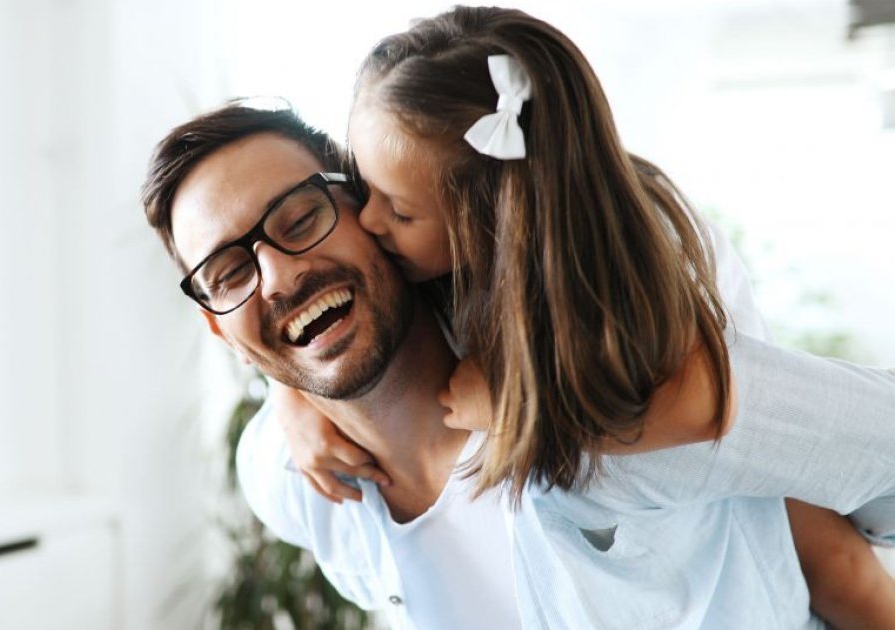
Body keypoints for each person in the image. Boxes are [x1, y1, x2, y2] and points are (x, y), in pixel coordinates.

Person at [271, 5, 895, 627]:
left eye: (401, 211)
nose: (369, 221)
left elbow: (718, 419)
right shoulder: (447, 263)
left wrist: (526, 406)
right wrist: (292, 396)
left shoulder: (646, 312)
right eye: (363, 188)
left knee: (831, 559)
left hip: (764, 522)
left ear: (493, 222)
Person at [140, 102, 868, 628]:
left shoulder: (609, 392)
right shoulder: (286, 482)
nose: (275, 276)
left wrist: (574, 410)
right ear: (218, 328)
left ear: (373, 211)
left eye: (301, 219)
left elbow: (856, 478)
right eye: (229, 272)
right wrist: (288, 394)